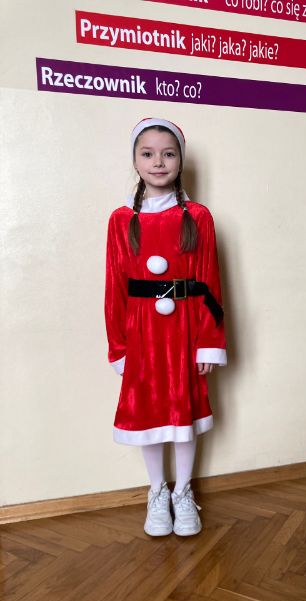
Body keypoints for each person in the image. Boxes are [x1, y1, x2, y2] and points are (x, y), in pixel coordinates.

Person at [104, 117, 227, 537]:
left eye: (168, 154)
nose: (158, 162)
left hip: (186, 333)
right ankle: (157, 491)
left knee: (184, 411)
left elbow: (210, 282)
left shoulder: (199, 216)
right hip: (142, 335)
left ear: (180, 161)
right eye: (148, 154)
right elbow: (114, 288)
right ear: (135, 161)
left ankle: (183, 491)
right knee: (149, 414)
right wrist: (119, 347)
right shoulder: (121, 219)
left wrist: (208, 343)